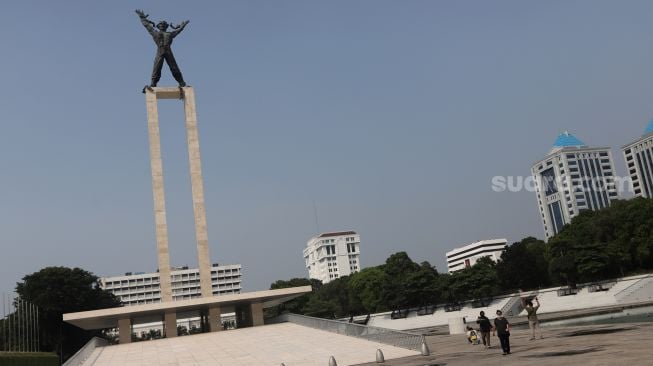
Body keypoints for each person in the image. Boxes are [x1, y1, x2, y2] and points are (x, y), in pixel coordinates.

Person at [135, 9, 189, 87]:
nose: (162, 25)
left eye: (164, 25)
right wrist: (142, 18)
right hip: (160, 50)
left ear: (166, 26)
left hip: (168, 51)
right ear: (158, 26)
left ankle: (181, 82)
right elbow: (147, 25)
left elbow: (178, 31)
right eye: (161, 24)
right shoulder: (155, 33)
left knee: (174, 67)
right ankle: (153, 83)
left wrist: (183, 26)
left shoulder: (170, 34)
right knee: (157, 67)